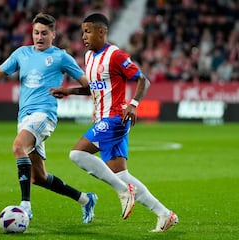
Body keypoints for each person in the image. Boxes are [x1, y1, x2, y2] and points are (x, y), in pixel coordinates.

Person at [0, 13, 107, 224]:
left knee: (18, 147)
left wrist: (67, 90)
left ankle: (25, 206)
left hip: (44, 115)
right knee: (39, 178)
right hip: (24, 118)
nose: (39, 37)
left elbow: (90, 86)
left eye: (44, 33)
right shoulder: (22, 53)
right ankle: (85, 199)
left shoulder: (61, 57)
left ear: (53, 35)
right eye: (36, 33)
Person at [50, 13, 179, 232]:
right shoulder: (90, 57)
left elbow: (142, 79)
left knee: (77, 154)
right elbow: (94, 88)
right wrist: (68, 91)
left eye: (88, 31)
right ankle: (164, 214)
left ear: (102, 32)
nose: (83, 36)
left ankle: (122, 190)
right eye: (83, 32)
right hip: (103, 118)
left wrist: (134, 104)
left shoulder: (115, 55)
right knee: (121, 174)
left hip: (116, 118)